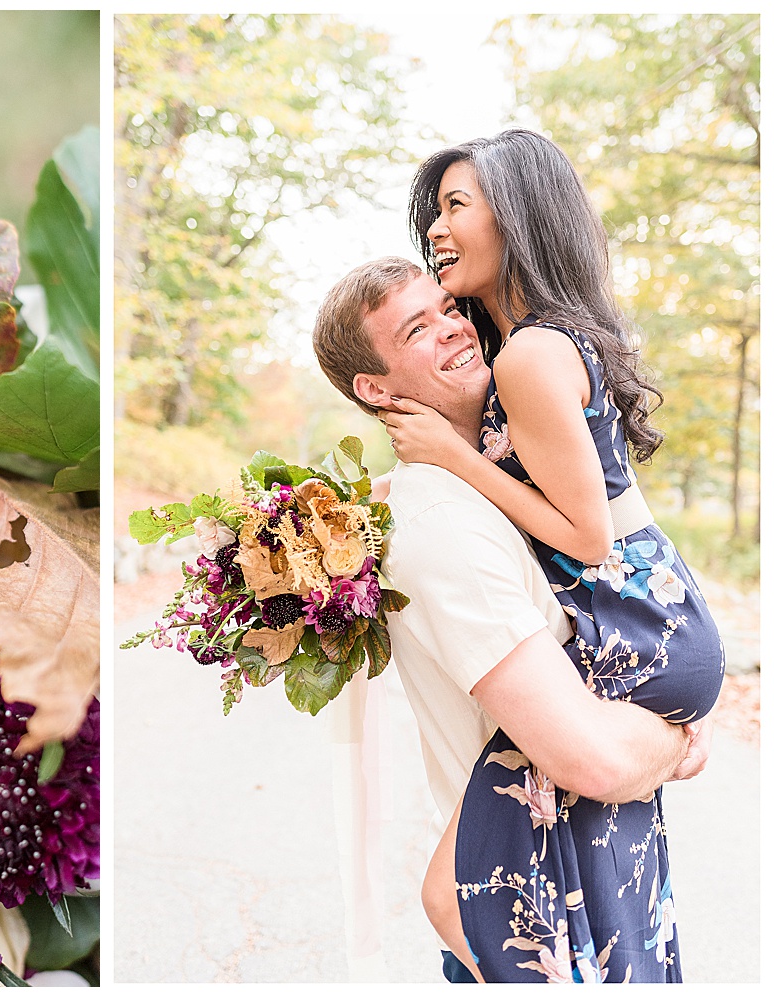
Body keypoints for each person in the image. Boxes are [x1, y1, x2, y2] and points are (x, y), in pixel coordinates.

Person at [381, 131, 726, 981]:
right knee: (556, 857)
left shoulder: (535, 354)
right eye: (434, 212)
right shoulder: (530, 346)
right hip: (649, 621)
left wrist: (454, 459)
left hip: (634, 628)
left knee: (447, 893)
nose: (436, 228)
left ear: (520, 217)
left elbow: (587, 536)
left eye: (456, 205)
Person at [312, 258, 710, 983]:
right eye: (417, 329)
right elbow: (593, 758)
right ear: (375, 387)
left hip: (588, 848)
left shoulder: (498, 467)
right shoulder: (442, 525)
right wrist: (673, 730)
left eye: (446, 308)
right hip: (546, 882)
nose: (454, 328)